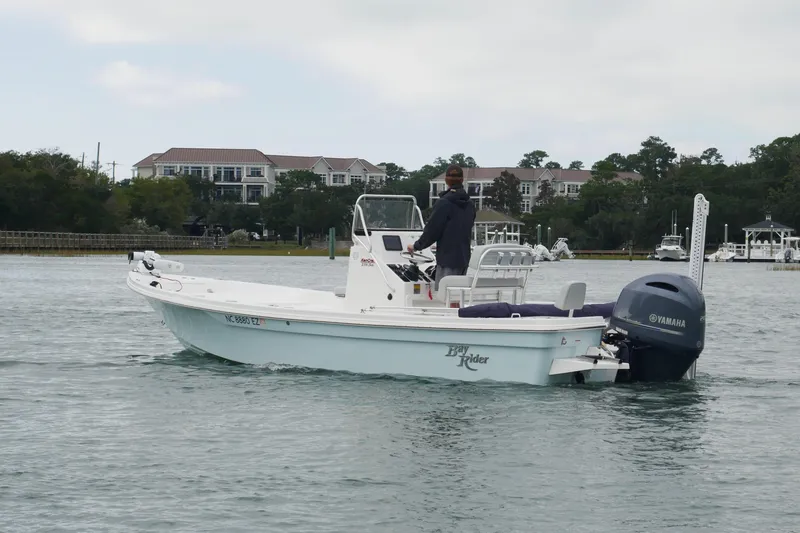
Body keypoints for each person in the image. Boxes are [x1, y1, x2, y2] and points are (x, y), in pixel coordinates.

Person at [407, 164, 476, 290]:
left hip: (447, 260)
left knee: (444, 296)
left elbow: (432, 230)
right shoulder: (470, 204)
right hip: (464, 259)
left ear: (446, 180)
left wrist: (416, 246)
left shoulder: (444, 203)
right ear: (462, 180)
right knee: (456, 297)